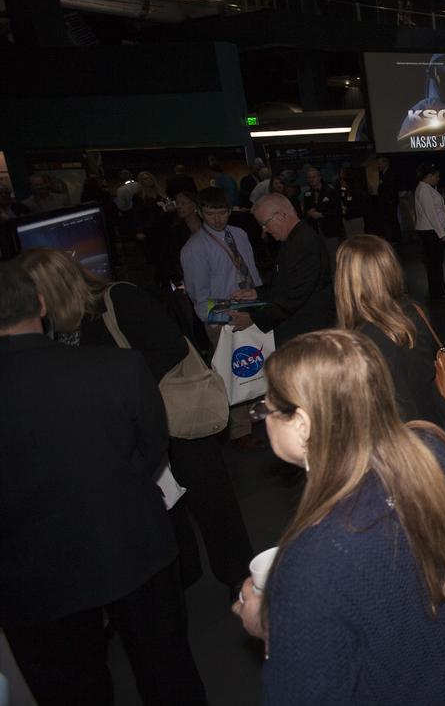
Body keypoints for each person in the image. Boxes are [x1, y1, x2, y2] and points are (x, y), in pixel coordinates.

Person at [230, 330, 445, 705]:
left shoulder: (312, 562)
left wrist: (273, 625)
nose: (264, 419)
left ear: (301, 424)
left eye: (266, 409)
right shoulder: (434, 449)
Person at [0, 261, 207, 706]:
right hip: (133, 546)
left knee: (72, 690)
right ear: (41, 305)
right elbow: (152, 446)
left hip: (31, 578)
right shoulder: (116, 367)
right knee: (168, 675)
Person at [18, 247, 255, 596]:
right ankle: (184, 572)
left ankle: (240, 578)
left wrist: (128, 392)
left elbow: (171, 347)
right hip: (129, 430)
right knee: (165, 505)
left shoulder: (119, 299)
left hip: (175, 415)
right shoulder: (57, 326)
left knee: (211, 501)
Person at [335, 234, 445, 434]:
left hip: (406, 438)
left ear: (347, 280)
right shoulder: (412, 310)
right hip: (433, 425)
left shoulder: (365, 338)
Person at [231, 194, 336, 345]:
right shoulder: (294, 238)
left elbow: (294, 296)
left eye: (265, 223)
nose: (264, 230)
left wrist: (254, 319)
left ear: (282, 216)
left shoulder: (304, 243)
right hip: (301, 327)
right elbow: (285, 283)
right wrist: (257, 293)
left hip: (308, 332)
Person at [182, 186, 263, 329]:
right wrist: (227, 320)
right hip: (222, 317)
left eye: (222, 213)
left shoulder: (240, 234)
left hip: (252, 307)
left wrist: (261, 305)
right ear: (199, 212)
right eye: (210, 214)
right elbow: (199, 296)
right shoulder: (194, 248)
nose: (217, 219)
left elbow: (253, 272)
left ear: (230, 210)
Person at [412, 164, 445, 300]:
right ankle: (438, 293)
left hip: (430, 230)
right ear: (429, 176)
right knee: (435, 263)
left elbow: (434, 208)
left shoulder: (426, 188)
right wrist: (442, 233)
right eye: (436, 176)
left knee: (435, 263)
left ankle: (439, 291)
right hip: (430, 231)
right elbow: (430, 214)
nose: (438, 179)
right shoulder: (424, 190)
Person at [301, 165, 342, 259]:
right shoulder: (307, 194)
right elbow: (305, 214)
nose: (311, 179)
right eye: (309, 177)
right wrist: (308, 213)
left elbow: (338, 212)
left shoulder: (331, 191)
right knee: (319, 257)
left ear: (320, 177)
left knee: (333, 256)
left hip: (330, 230)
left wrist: (321, 215)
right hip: (314, 232)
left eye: (313, 177)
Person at [375, 157, 403, 242]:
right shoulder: (382, 174)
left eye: (379, 163)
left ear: (385, 163)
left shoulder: (390, 174)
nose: (378, 165)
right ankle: (393, 239)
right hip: (386, 203)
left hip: (390, 203)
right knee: (389, 222)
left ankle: (396, 239)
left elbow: (391, 190)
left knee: (393, 221)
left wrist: (387, 201)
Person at [339, 166, 371, 240]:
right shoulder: (343, 187)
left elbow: (360, 204)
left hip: (356, 218)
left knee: (359, 238)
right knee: (350, 238)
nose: (341, 178)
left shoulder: (356, 189)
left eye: (342, 174)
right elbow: (342, 197)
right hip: (346, 217)